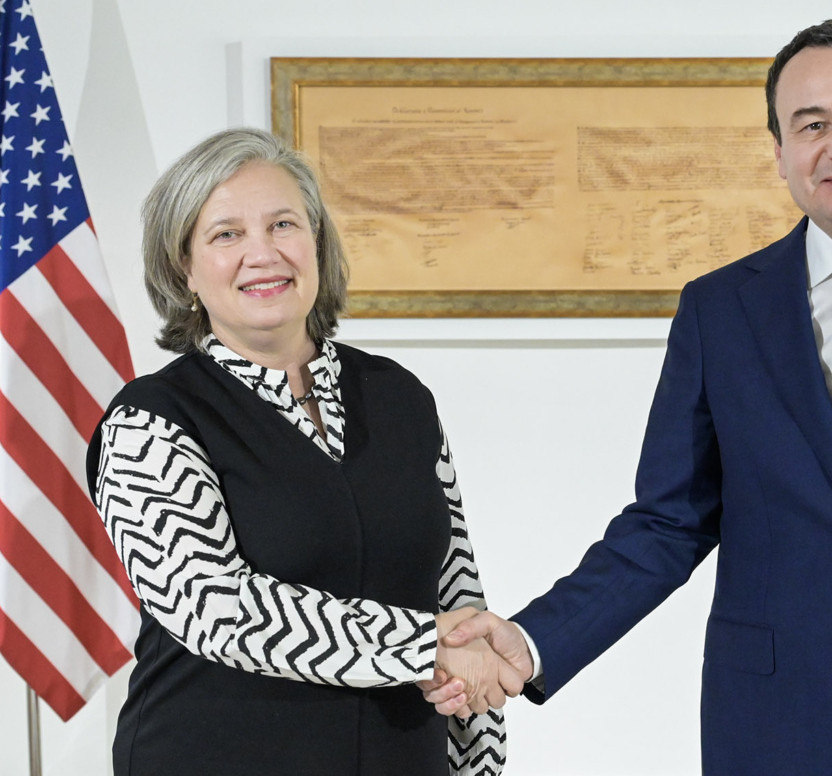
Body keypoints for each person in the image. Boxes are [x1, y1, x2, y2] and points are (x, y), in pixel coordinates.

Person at [425, 15, 832, 775]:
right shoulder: (719, 311)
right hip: (778, 729)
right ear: (780, 152)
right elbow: (668, 522)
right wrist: (532, 640)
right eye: (812, 125)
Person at [86, 127, 519, 775]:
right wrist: (421, 645)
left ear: (316, 242)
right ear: (184, 269)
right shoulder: (149, 420)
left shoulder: (400, 397)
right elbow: (216, 609)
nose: (262, 254)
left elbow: (457, 593)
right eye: (226, 234)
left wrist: (479, 758)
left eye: (283, 224)